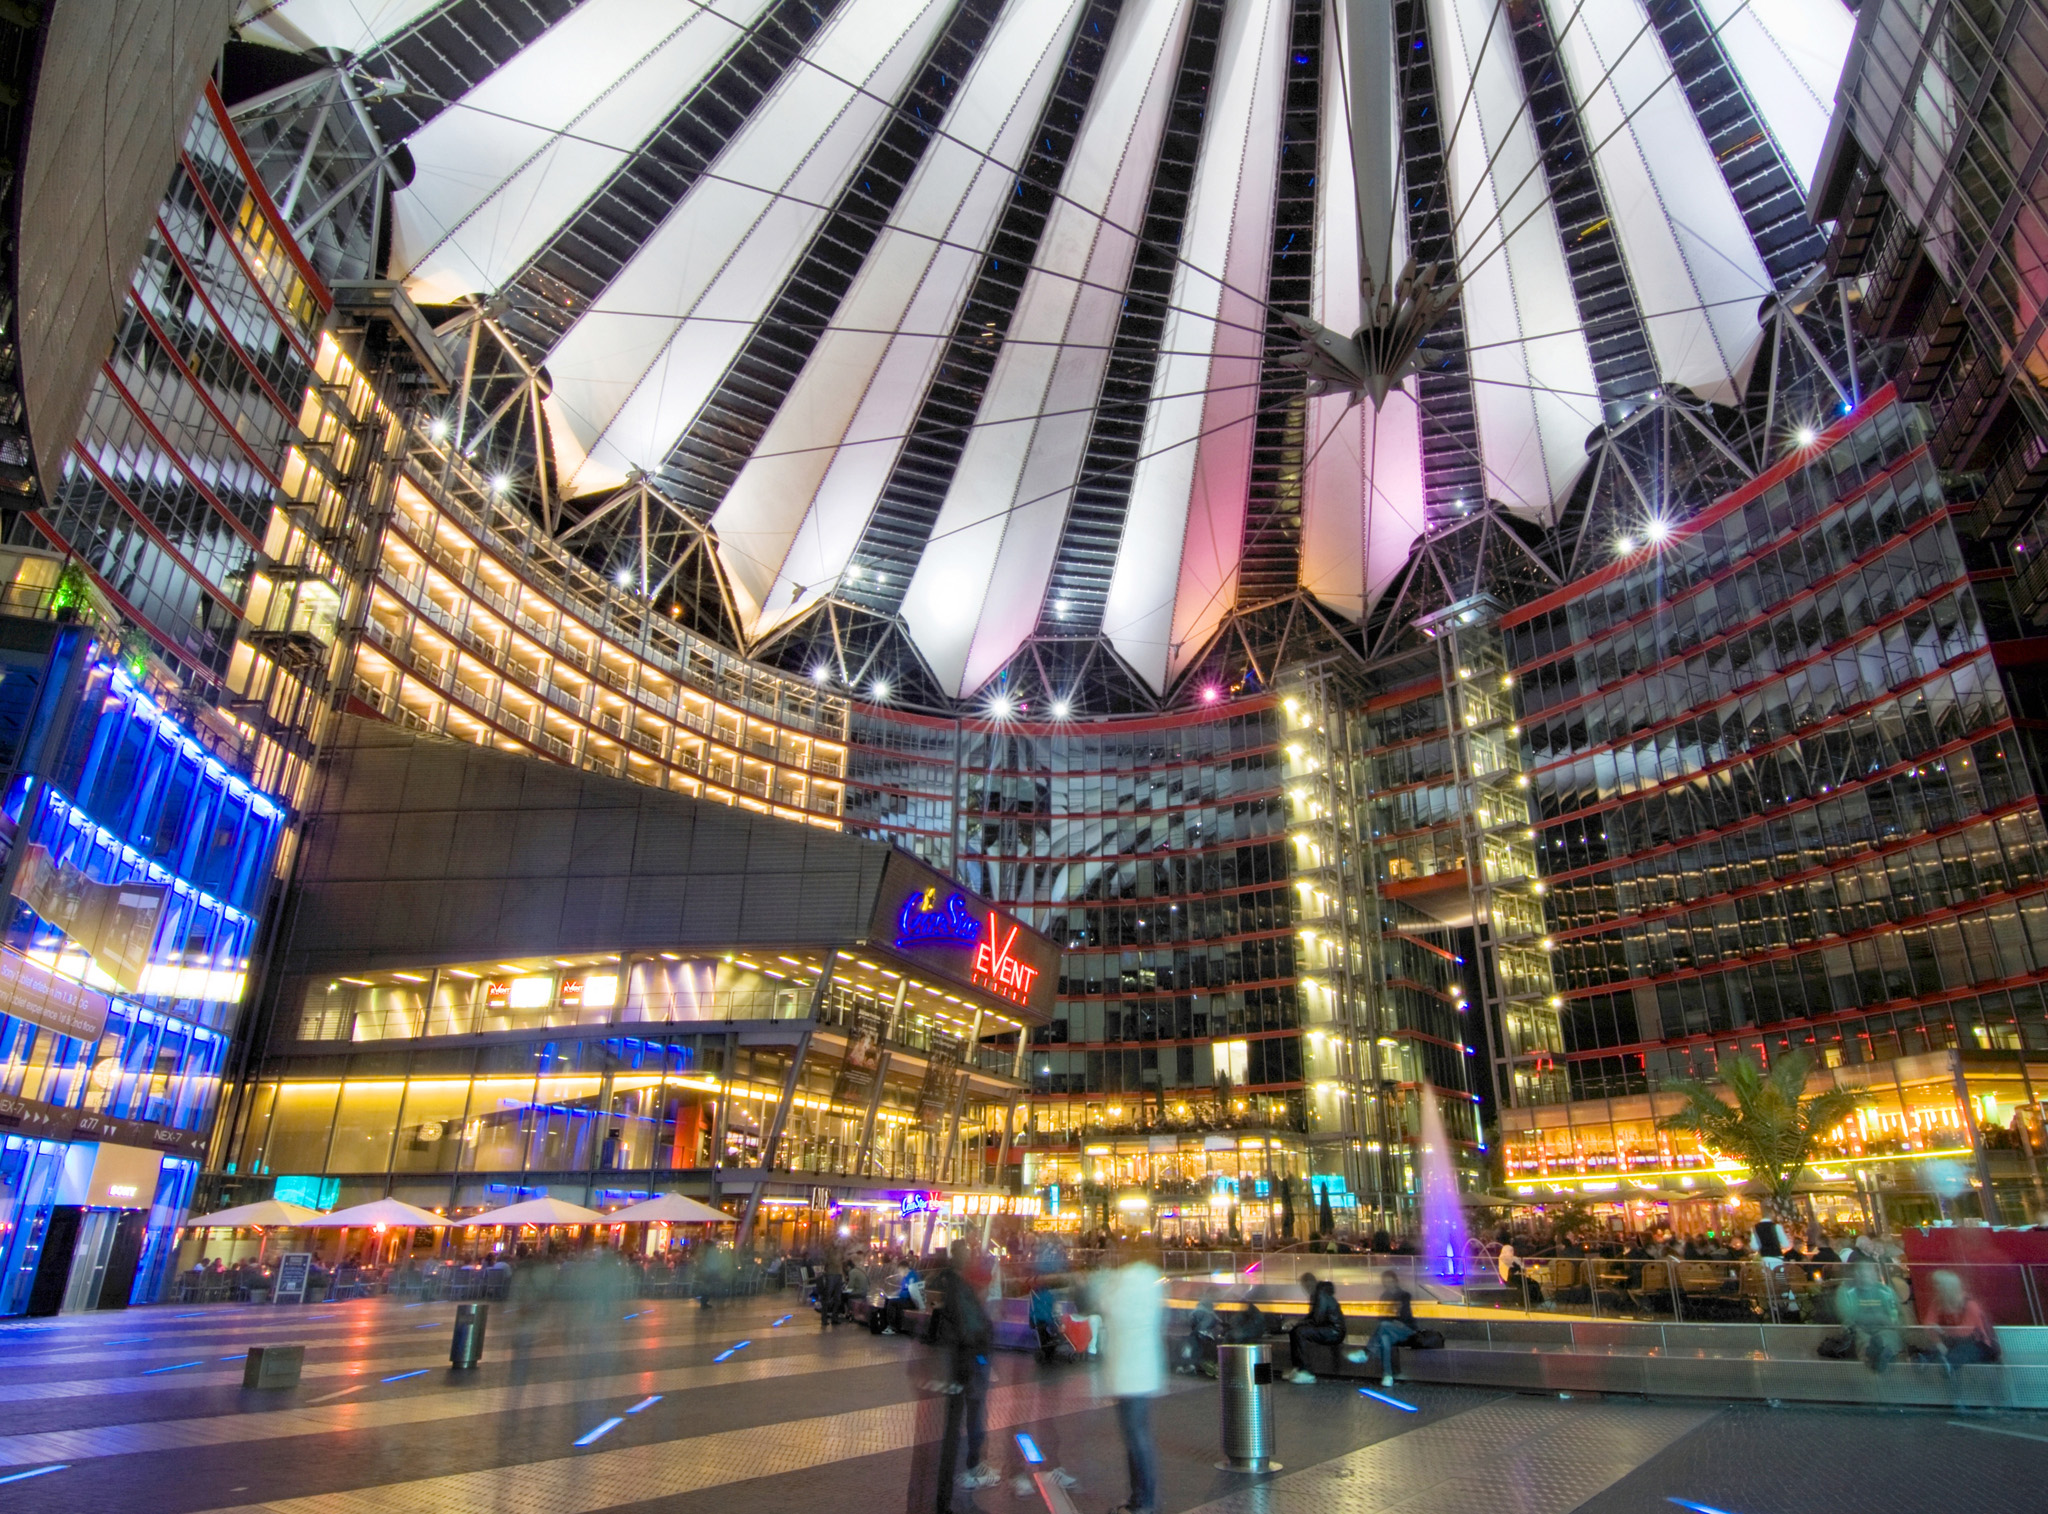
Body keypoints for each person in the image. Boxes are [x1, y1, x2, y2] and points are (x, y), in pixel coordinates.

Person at [1090, 1255, 1166, 1514]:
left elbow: (1102, 1303)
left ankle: (1143, 1502)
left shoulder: (1124, 1283)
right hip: (1140, 1372)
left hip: (1129, 1373)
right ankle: (1141, 1499)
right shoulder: (1148, 1278)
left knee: (1136, 1439)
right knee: (1137, 1437)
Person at [933, 1242, 998, 1506]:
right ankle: (969, 1471)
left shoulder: (949, 1284)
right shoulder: (960, 1288)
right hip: (968, 1364)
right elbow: (973, 1329)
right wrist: (982, 1354)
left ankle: (949, 1492)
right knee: (972, 1416)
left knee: (957, 1425)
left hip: (959, 1365)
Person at [1922, 1269, 2001, 1367]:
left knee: (1965, 1350)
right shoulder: (1938, 1303)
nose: (1933, 1289)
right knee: (1936, 1349)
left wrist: (1941, 1330)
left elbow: (1965, 1331)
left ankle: (1948, 1363)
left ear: (1947, 1289)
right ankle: (1924, 1359)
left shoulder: (1970, 1305)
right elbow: (1928, 1324)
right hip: (1953, 1340)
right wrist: (1939, 1343)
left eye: (1937, 1286)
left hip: (1979, 1344)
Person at [1833, 1259, 1901, 1371]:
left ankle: (1879, 1352)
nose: (1864, 1274)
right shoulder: (1846, 1290)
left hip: (1883, 1330)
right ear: (1855, 1273)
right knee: (1861, 1337)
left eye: (1869, 1271)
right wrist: (1879, 1318)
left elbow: (1894, 1318)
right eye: (1861, 1271)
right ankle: (1876, 1354)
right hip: (1859, 1329)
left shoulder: (1885, 1290)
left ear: (1875, 1273)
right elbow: (1848, 1317)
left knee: (1888, 1336)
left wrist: (1888, 1321)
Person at [1284, 1272, 1346, 1384]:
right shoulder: (1317, 1294)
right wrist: (1298, 1323)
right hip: (1331, 1329)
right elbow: (1315, 1318)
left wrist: (1298, 1322)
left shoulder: (1320, 1295)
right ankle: (1298, 1367)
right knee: (1295, 1331)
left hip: (1334, 1331)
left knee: (1299, 1332)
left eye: (1306, 1285)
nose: (1305, 1288)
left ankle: (1306, 1371)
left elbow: (1317, 1319)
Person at [1361, 1269, 1417, 1389]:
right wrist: (1391, 1320)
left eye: (1390, 1282)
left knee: (1384, 1326)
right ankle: (1387, 1375)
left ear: (1396, 1282)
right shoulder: (1384, 1296)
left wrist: (1392, 1320)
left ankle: (1367, 1351)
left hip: (1406, 1330)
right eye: (1385, 1283)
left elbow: (1405, 1318)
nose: (1388, 1285)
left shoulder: (1404, 1296)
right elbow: (1381, 1317)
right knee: (1385, 1339)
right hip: (1391, 1330)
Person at [1029, 1278, 1063, 1364]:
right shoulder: (1047, 1296)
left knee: (1043, 1334)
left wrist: (1031, 1320)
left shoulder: (1036, 1296)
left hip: (1040, 1319)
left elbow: (1035, 1311)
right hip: (1046, 1319)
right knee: (1049, 1333)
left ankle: (1047, 1350)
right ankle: (1050, 1350)